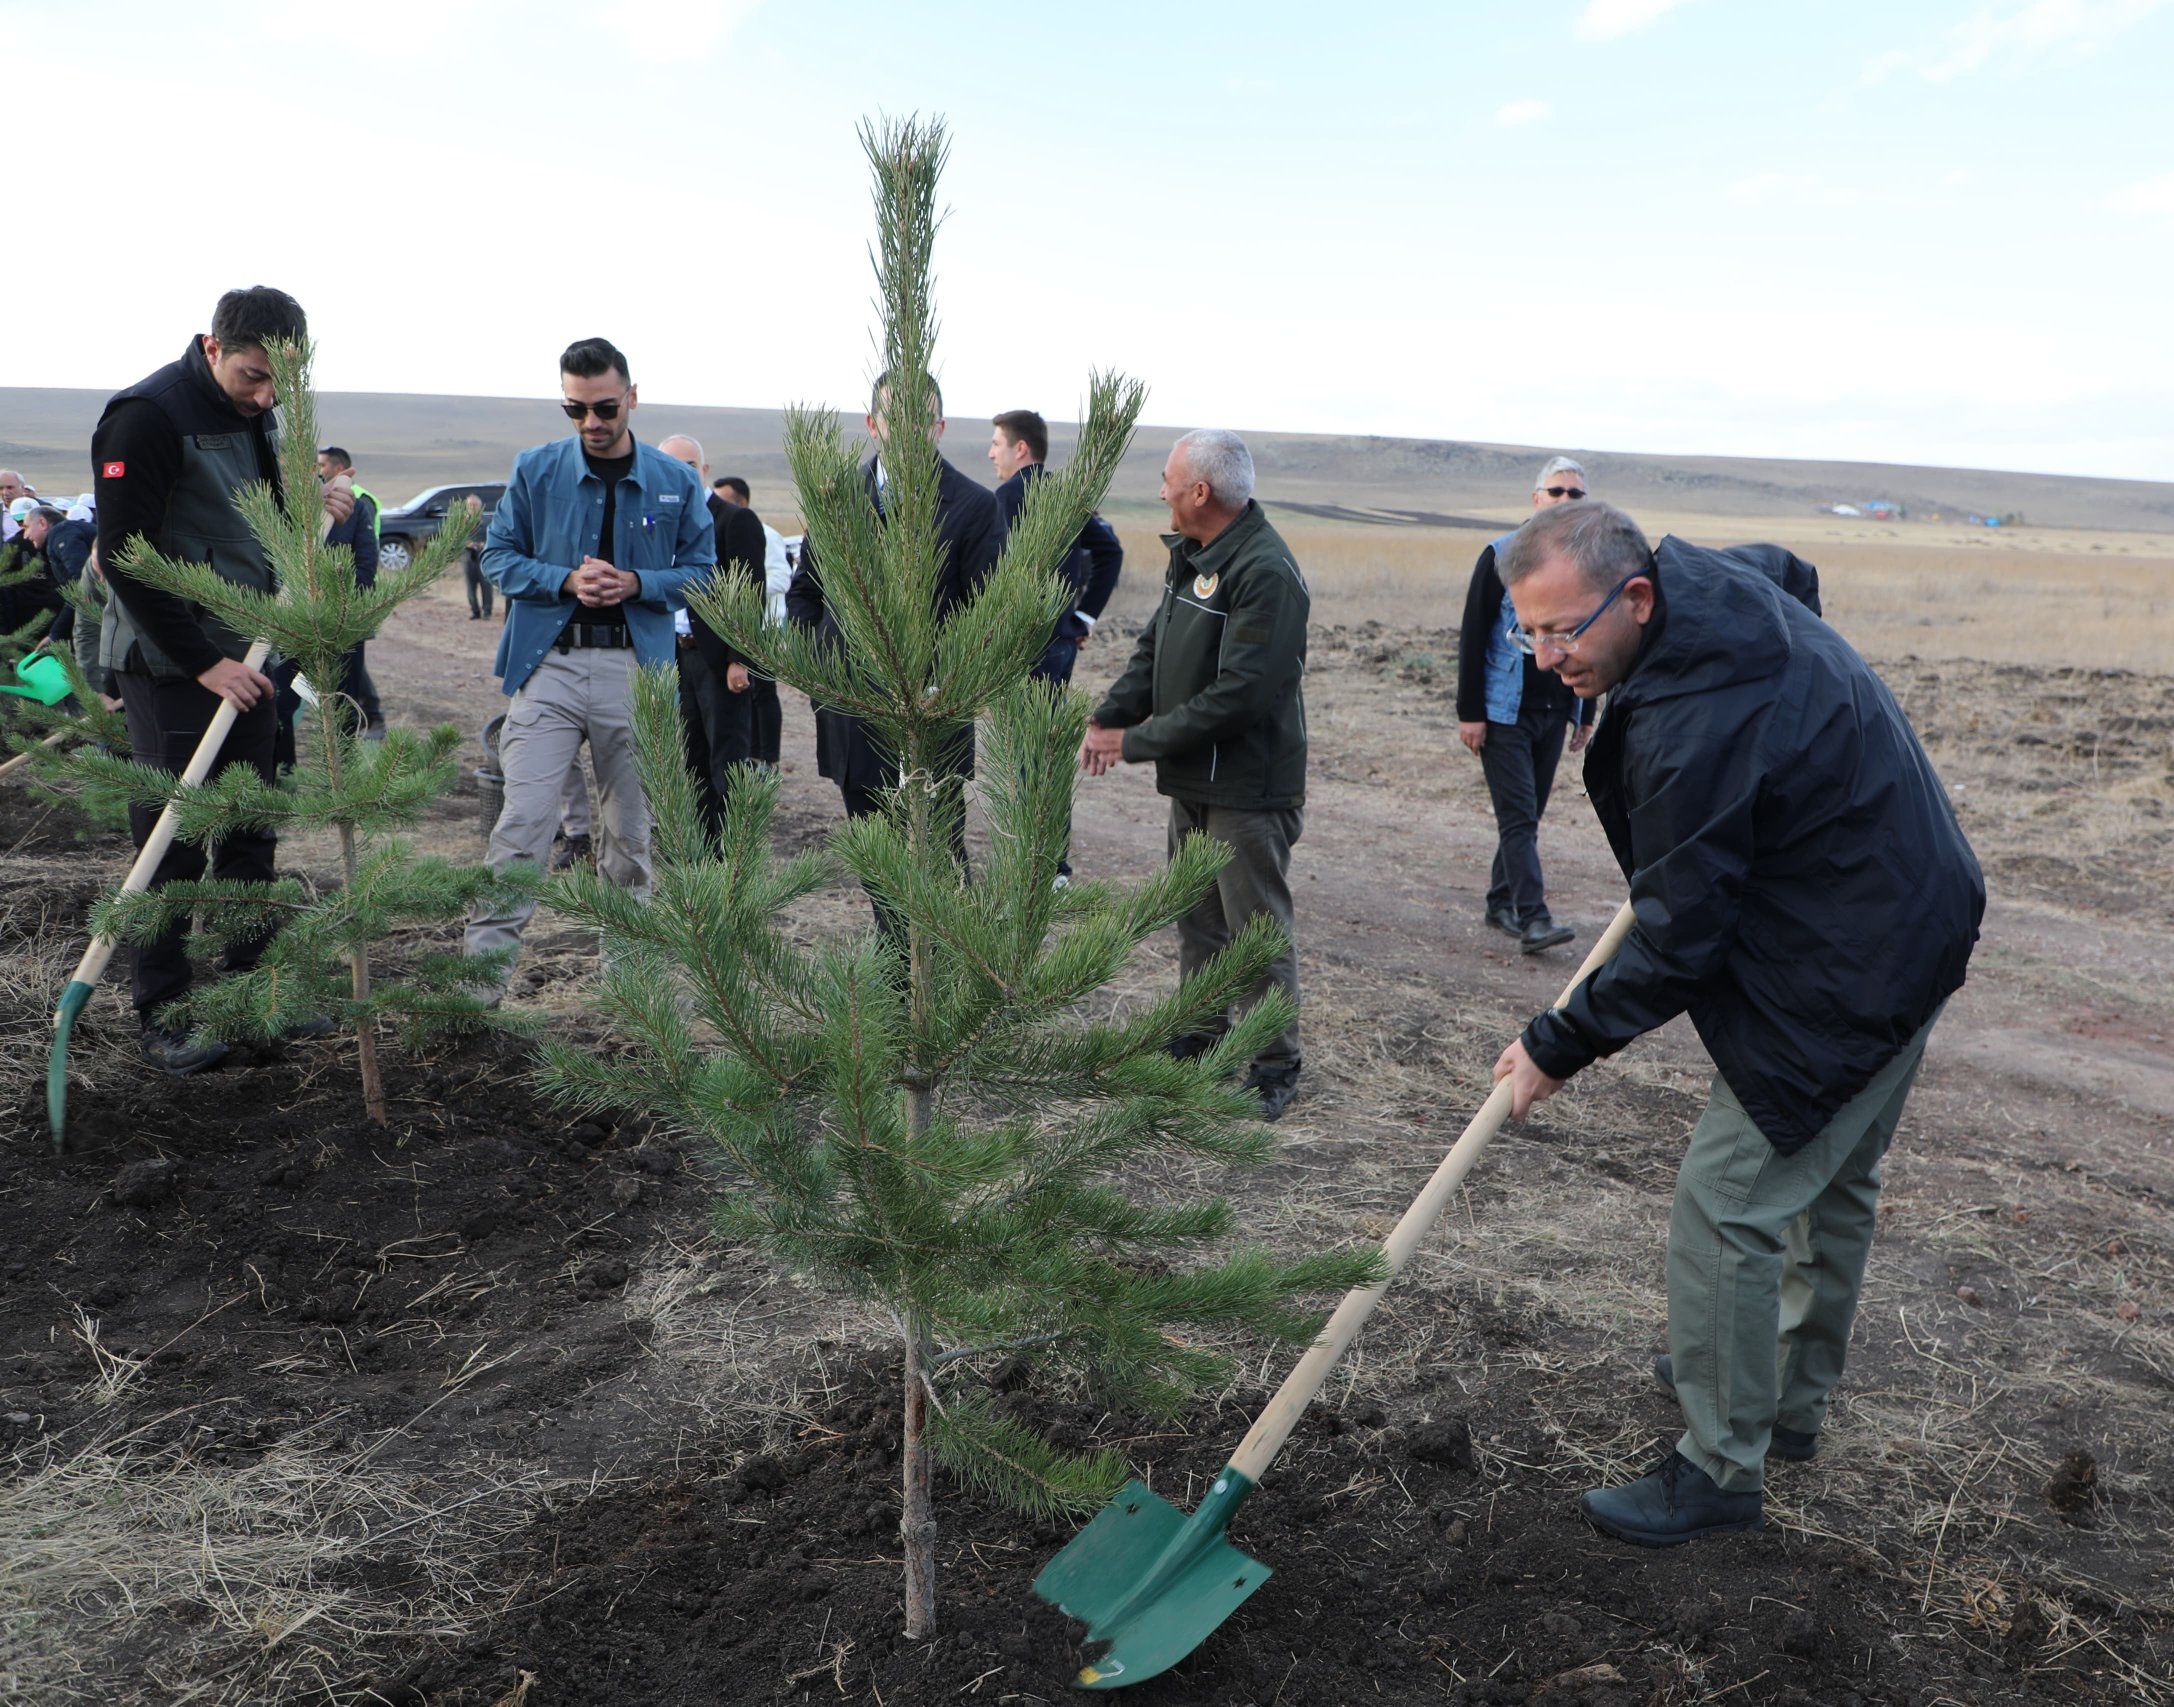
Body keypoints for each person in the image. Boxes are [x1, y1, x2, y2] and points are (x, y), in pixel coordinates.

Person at [1486, 500, 1984, 1547]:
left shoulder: (1688, 731)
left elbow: (1679, 940)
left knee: (1724, 1205)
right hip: (1910, 907)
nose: (1541, 659)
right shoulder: (1714, 585)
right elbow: (1791, 570)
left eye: (1560, 631)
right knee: (1830, 1180)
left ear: (1635, 596)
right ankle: (1783, 1407)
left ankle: (1718, 1467)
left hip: (1852, 959)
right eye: (1522, 632)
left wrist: (1553, 1044)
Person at [90, 285, 354, 1074]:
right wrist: (203, 661)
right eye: (252, 375)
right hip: (174, 663)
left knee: (249, 829)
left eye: (283, 381)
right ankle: (165, 1012)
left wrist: (318, 505)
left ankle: (254, 994)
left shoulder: (259, 412)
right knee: (172, 838)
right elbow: (125, 557)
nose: (267, 394)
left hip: (253, 659)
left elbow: (256, 523)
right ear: (212, 346)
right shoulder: (147, 416)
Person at [462, 337, 713, 994]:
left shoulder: (677, 481)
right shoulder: (535, 470)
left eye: (605, 407)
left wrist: (638, 583)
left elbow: (704, 573)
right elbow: (497, 557)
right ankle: (478, 996)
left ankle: (629, 997)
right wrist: (565, 578)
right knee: (522, 825)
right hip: (550, 667)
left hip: (637, 673)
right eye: (576, 410)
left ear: (632, 396)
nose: (592, 424)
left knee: (630, 835)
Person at [1080, 430, 1309, 1121]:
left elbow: (1242, 692)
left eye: (1167, 479)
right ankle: (1201, 1038)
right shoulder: (1197, 555)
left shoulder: (1264, 570)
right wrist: (1110, 714)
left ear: (1200, 492)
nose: (1161, 490)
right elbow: (1155, 649)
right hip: (1195, 782)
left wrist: (1137, 740)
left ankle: (1274, 1063)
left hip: (1247, 787)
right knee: (1199, 920)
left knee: (1254, 931)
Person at [785, 370, 1000, 926]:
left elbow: (988, 618)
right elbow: (807, 595)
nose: (904, 428)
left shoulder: (973, 507)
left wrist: (943, 691)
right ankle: (898, 988)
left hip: (930, 724)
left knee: (938, 873)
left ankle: (946, 994)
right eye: (891, 415)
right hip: (852, 723)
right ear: (872, 423)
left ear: (939, 427)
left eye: (919, 417)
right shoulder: (837, 499)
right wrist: (822, 681)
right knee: (880, 876)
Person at [1456, 455, 1595, 954]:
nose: (1564, 501)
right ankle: (1533, 918)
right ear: (1536, 499)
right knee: (1518, 818)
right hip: (1502, 711)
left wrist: (1585, 709)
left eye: (1574, 494)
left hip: (1555, 711)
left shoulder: (1587, 562)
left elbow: (1591, 638)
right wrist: (1469, 712)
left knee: (1527, 816)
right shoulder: (1501, 555)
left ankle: (1500, 902)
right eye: (1555, 491)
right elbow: (1473, 635)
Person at [989, 409, 1125, 883]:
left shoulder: (1007, 496)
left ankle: (1032, 868)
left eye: (997, 443)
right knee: (1044, 752)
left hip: (1023, 643)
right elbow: (1110, 551)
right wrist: (1082, 614)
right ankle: (1053, 868)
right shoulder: (1066, 494)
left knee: (1023, 755)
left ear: (1020, 449)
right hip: (1061, 642)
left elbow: (997, 570)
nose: (991, 453)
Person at [659, 435, 768, 841]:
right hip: (674, 654)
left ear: (703, 470)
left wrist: (741, 658)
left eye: (688, 466)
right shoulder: (659, 519)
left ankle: (733, 850)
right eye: (670, 467)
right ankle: (702, 847)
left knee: (728, 757)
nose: (680, 474)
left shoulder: (732, 519)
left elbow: (750, 592)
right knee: (690, 756)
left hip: (718, 658)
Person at [713, 475, 792, 768]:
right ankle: (748, 754)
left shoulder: (767, 534)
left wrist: (742, 589)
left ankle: (767, 757)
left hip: (764, 627)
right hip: (736, 626)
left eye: (723, 499)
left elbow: (781, 578)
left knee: (763, 692)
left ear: (742, 502)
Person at [316, 448, 383, 737]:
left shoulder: (360, 503)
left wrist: (347, 603)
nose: (318, 471)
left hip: (348, 612)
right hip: (311, 612)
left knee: (348, 682)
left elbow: (367, 559)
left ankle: (354, 735)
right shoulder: (309, 502)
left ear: (338, 467)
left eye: (322, 465)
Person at [459, 493, 493, 619]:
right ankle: (475, 611)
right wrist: (467, 543)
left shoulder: (488, 521)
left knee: (486, 585)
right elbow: (456, 539)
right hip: (468, 556)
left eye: (475, 505)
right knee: (470, 586)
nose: (472, 507)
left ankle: (487, 611)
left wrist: (484, 544)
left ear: (480, 506)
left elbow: (493, 537)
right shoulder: (461, 522)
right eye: (470, 505)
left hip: (483, 556)